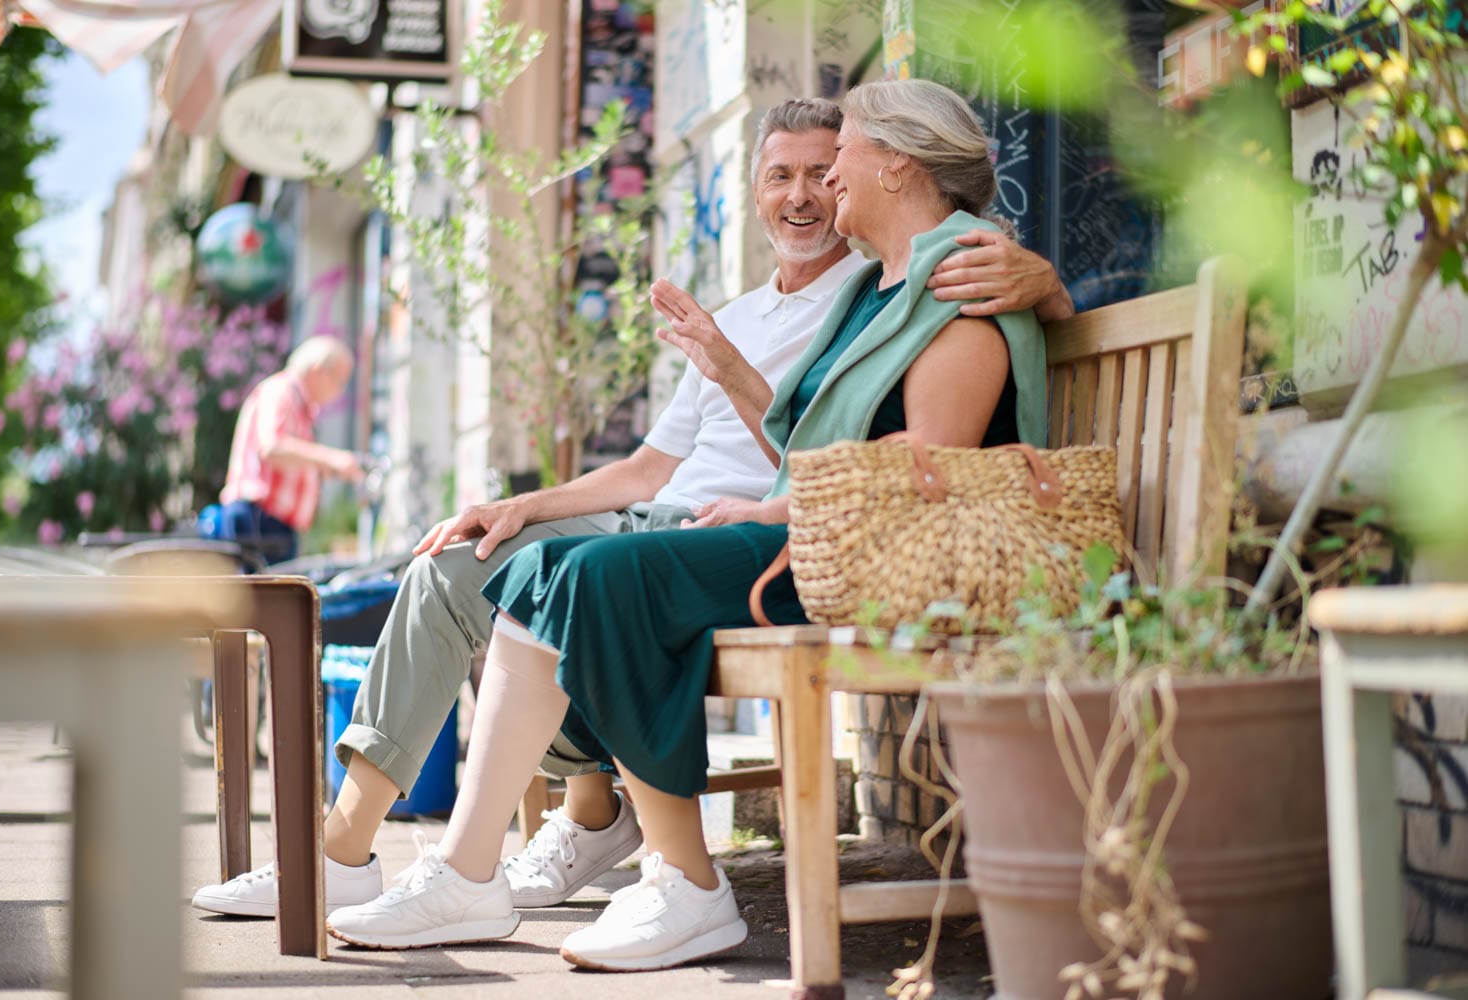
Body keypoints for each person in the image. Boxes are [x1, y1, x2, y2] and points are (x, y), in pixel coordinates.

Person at [192, 98, 1069, 920]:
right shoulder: (794, 304)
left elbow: (843, 449)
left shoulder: (882, 293)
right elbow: (650, 467)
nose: (811, 190)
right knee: (454, 563)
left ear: (885, 169)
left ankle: (594, 828)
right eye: (783, 175)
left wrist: (1048, 286)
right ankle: (347, 850)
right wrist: (517, 502)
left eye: (826, 165)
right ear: (757, 189)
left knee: (560, 580)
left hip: (763, 534)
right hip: (687, 516)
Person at [209, 335, 362, 564]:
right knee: (263, 599)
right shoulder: (279, 391)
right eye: (339, 382)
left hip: (272, 524)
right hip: (259, 520)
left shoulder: (300, 405)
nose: (339, 392)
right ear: (318, 370)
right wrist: (330, 459)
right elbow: (272, 446)